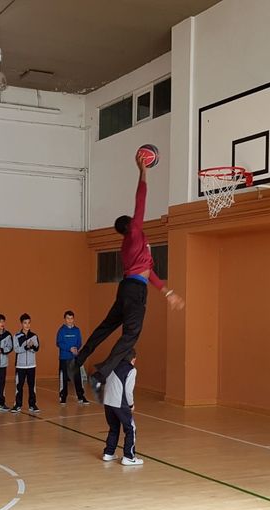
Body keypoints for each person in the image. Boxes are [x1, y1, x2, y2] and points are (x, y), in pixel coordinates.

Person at [70, 153, 185, 401]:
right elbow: (140, 200)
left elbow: (148, 272)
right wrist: (143, 172)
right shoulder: (134, 232)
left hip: (127, 288)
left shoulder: (132, 245)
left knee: (107, 326)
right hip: (134, 291)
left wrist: (168, 293)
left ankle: (78, 360)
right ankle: (99, 374)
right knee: (130, 335)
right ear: (130, 224)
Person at [101, 351, 142, 466]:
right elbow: (128, 391)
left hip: (108, 401)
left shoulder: (112, 365)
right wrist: (131, 405)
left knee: (114, 428)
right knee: (130, 428)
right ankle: (129, 457)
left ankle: (108, 453)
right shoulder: (131, 370)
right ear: (133, 359)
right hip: (119, 403)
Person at [56, 310, 88, 405]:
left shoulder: (77, 330)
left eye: (71, 318)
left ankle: (81, 396)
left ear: (73, 319)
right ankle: (63, 397)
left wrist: (76, 348)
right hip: (64, 358)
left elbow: (79, 342)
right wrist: (69, 348)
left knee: (78, 378)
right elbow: (59, 343)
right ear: (65, 319)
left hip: (74, 358)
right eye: (68, 318)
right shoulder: (61, 330)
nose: (70, 320)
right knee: (64, 378)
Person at [11, 313, 40, 414]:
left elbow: (36, 348)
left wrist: (31, 347)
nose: (27, 325)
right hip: (20, 365)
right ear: (21, 324)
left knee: (32, 386)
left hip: (32, 365)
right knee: (19, 386)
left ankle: (32, 405)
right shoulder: (16, 336)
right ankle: (17, 405)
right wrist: (26, 347)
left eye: (28, 323)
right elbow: (16, 349)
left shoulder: (34, 336)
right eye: (25, 323)